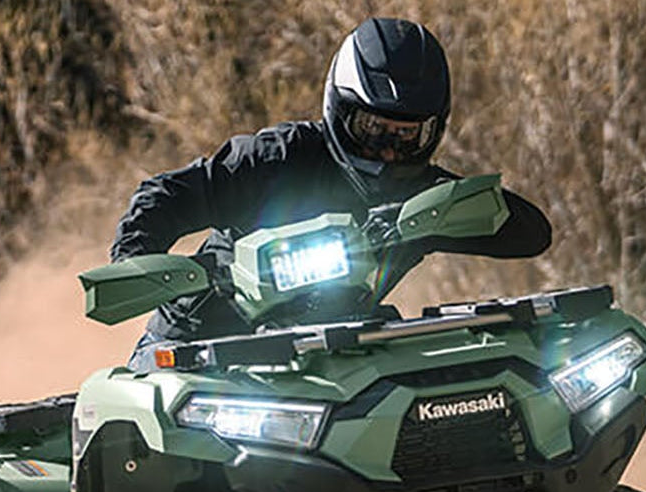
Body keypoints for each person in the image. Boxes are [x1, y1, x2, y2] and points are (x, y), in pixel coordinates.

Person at [111, 17, 552, 365]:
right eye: (374, 129)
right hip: (198, 349)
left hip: (326, 362)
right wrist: (136, 264)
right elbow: (164, 197)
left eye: (408, 136)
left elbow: (532, 233)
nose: (390, 151)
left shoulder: (424, 199)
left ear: (434, 131)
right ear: (340, 109)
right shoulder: (276, 159)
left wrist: (431, 214)